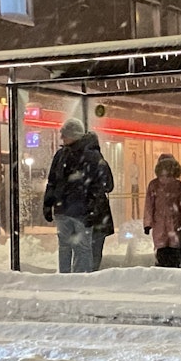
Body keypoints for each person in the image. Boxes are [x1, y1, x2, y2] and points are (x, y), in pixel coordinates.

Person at [43, 117, 99, 274]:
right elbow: (95, 186)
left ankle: (68, 278)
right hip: (77, 210)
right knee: (80, 248)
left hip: (70, 210)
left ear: (74, 135)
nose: (62, 138)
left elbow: (53, 182)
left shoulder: (63, 156)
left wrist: (49, 203)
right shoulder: (89, 156)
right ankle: (78, 278)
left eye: (65, 134)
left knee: (68, 247)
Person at [143, 153, 181, 268]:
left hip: (159, 224)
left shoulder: (154, 185)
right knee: (174, 254)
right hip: (175, 224)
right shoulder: (177, 184)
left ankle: (162, 271)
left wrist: (147, 224)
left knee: (162, 252)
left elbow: (149, 206)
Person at [81, 131, 114, 271]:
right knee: (96, 247)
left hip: (81, 209)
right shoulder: (101, 161)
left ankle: (81, 272)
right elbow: (109, 186)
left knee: (82, 247)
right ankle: (93, 272)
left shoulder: (78, 161)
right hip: (100, 210)